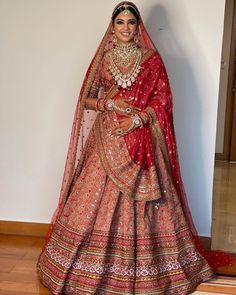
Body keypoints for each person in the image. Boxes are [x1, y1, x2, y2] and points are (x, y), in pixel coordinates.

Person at [37, 2, 231, 294]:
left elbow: (163, 101)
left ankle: (152, 270)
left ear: (138, 27)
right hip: (106, 139)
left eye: (131, 22)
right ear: (112, 27)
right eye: (120, 22)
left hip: (141, 140)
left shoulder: (151, 60)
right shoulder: (103, 60)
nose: (125, 28)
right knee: (92, 197)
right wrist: (110, 103)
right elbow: (86, 99)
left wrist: (136, 119)